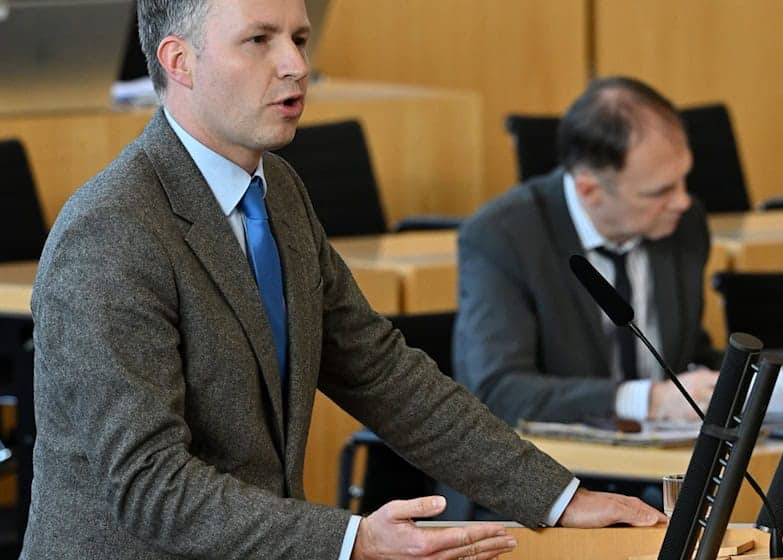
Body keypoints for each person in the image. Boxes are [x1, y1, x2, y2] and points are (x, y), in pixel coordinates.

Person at [20, 2, 666, 559]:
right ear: (179, 61)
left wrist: (558, 498)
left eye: (299, 39)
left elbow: (381, 372)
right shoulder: (111, 231)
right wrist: (351, 540)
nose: (295, 64)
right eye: (259, 40)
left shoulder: (279, 193)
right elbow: (148, 484)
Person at [454, 76, 722, 427]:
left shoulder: (684, 224)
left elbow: (686, 357)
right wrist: (647, 401)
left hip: (663, 461)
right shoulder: (502, 236)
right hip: (550, 467)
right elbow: (498, 391)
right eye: (660, 192)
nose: (682, 201)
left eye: (684, 179)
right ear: (590, 191)